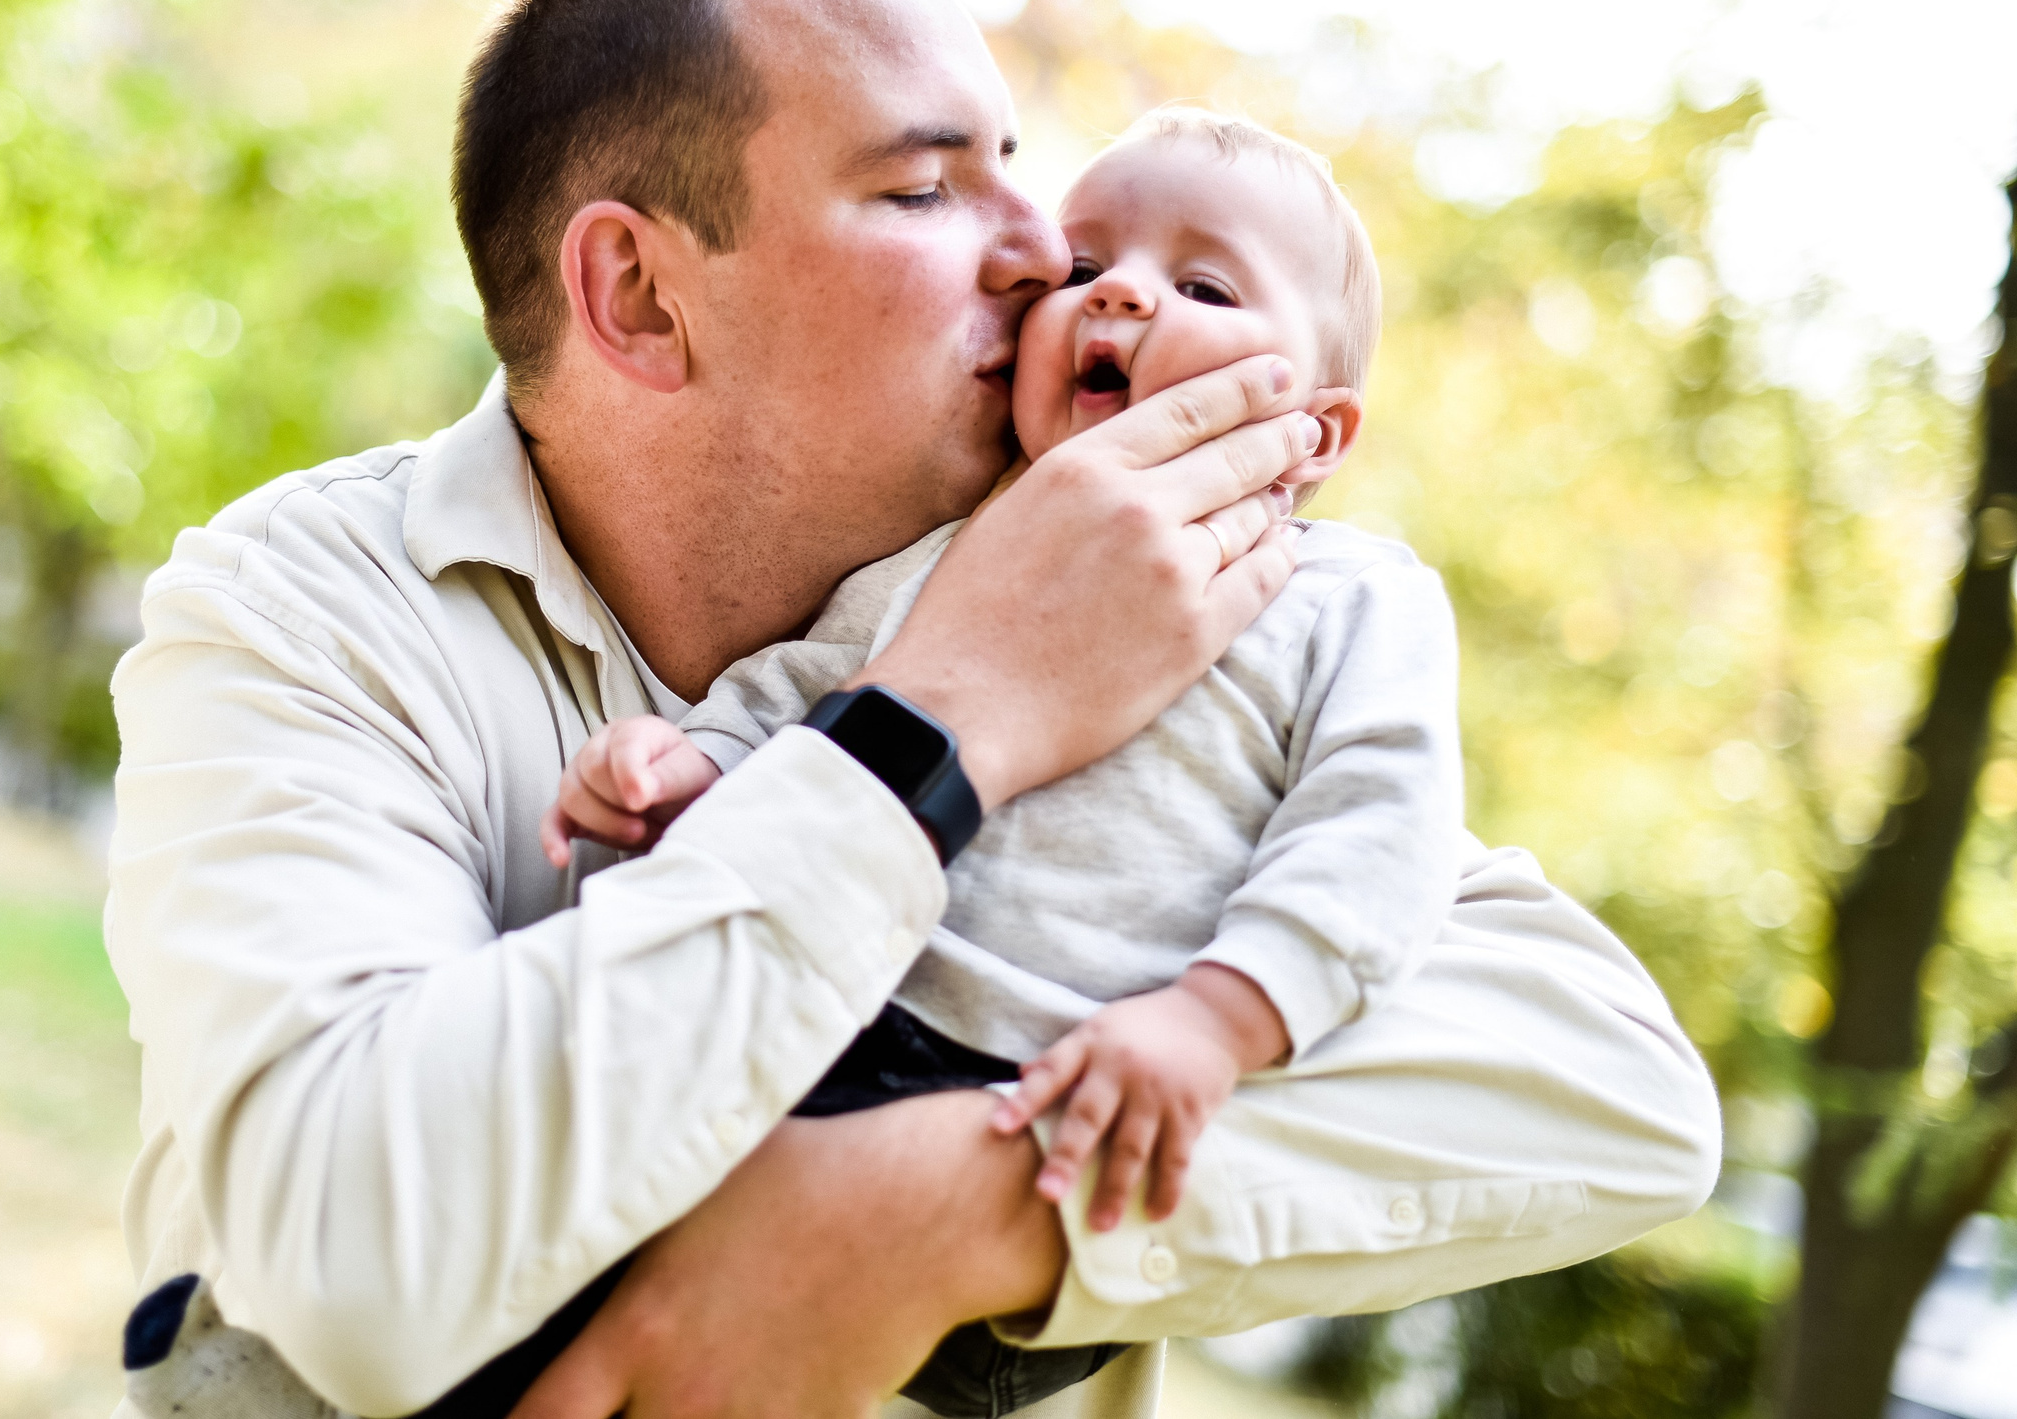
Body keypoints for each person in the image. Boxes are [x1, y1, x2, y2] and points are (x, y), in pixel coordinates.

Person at [104, 0, 1720, 1419]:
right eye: (926, 189)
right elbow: (353, 1252)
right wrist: (944, 716)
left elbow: (1617, 1080)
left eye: (1015, 169)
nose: (1044, 256)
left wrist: (949, 1212)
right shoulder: (305, 609)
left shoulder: (1214, 616)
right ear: (639, 294)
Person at [519, 105, 1457, 1413]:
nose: (1115, 292)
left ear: (1319, 429)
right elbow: (810, 700)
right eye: (1087, 266)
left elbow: (1378, 837)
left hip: (1046, 1105)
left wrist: (1217, 1019)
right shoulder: (953, 548)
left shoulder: (1345, 600)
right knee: (572, 1281)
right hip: (811, 1026)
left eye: (1202, 288)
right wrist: (696, 766)